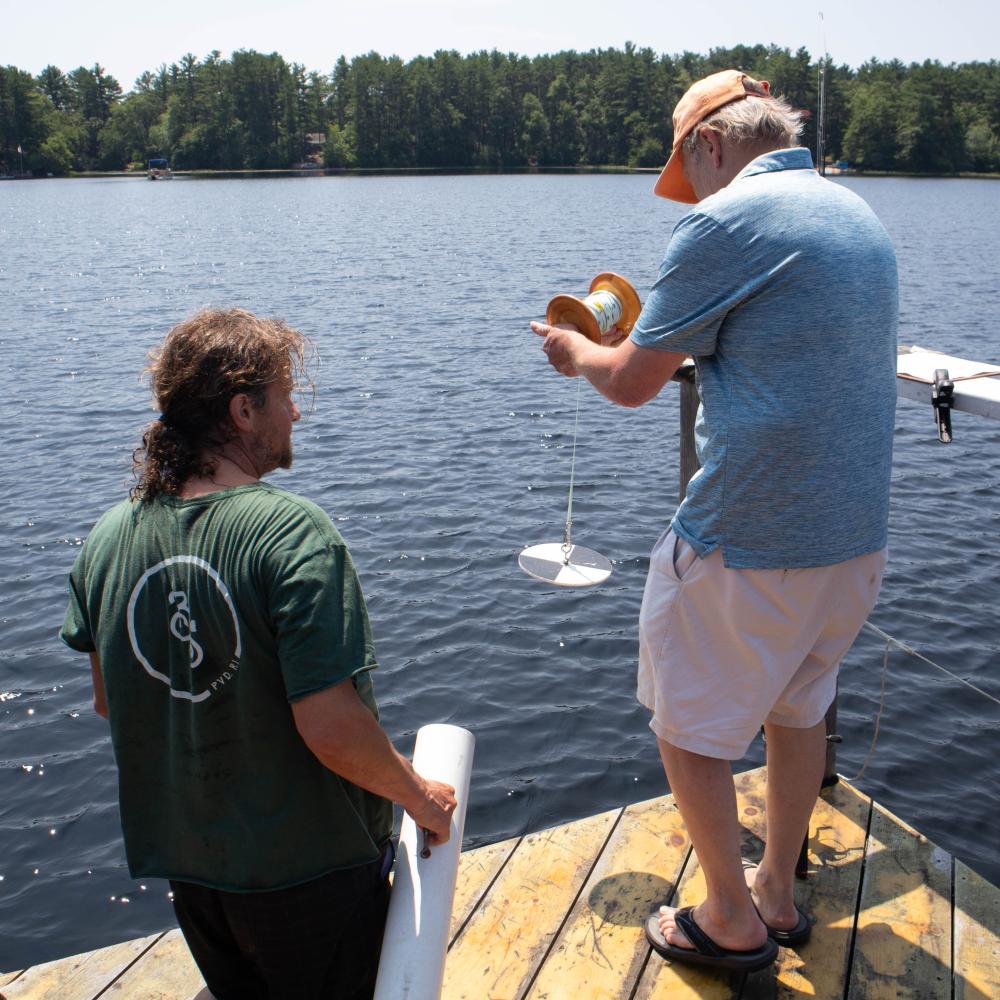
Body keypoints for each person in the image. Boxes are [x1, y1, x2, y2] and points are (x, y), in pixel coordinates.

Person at [531, 70, 897, 974]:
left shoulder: (724, 221)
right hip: (853, 541)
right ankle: (776, 890)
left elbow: (627, 383)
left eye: (686, 171)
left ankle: (729, 917)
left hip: (749, 540)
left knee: (684, 719)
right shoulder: (859, 216)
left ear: (707, 143)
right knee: (796, 707)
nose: (688, 194)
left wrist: (574, 348)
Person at [60, 308, 457, 999]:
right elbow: (331, 728)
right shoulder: (292, 532)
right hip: (310, 876)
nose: (296, 413)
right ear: (244, 411)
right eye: (284, 396)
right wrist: (420, 797)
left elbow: (108, 699)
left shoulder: (107, 537)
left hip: (194, 870)